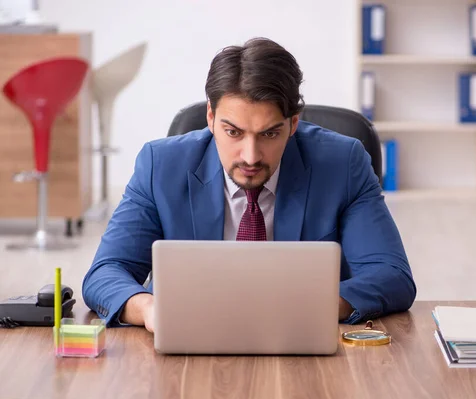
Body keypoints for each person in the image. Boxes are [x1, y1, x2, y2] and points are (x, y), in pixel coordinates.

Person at [82, 37, 416, 332]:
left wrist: (322, 306)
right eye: (234, 132)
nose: (251, 156)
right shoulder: (161, 165)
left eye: (269, 133)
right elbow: (107, 272)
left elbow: (391, 274)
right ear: (211, 117)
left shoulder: (343, 164)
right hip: (191, 341)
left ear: (293, 123)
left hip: (301, 342)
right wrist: (149, 309)